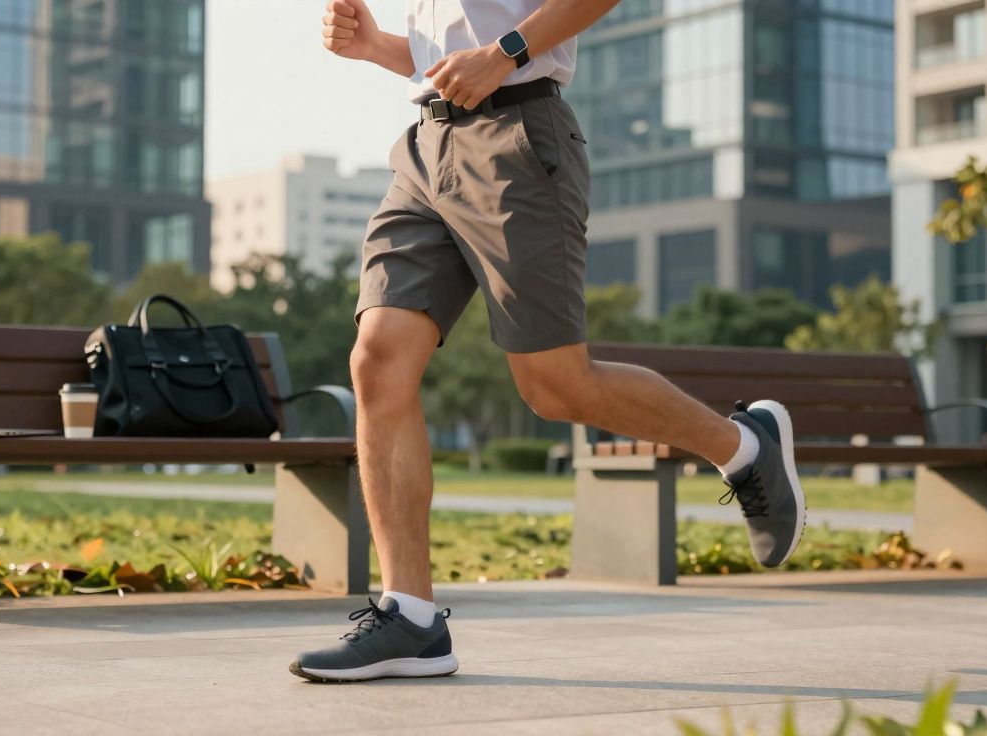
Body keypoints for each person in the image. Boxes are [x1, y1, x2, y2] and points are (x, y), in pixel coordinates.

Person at [290, 0, 806, 683]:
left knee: (556, 388)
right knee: (377, 359)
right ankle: (410, 617)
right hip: (423, 149)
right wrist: (376, 45)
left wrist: (504, 52)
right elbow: (448, 52)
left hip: (516, 139)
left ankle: (744, 448)